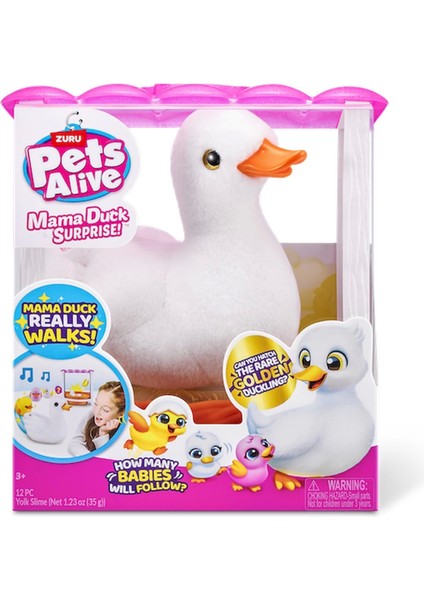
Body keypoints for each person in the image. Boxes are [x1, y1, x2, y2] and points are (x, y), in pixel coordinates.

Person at [68, 381, 125, 456]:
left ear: (121, 414)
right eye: (96, 404)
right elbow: (75, 443)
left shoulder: (123, 433)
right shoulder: (92, 414)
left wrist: (103, 434)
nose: (97, 412)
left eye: (105, 410)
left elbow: (106, 458)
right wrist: (88, 458)